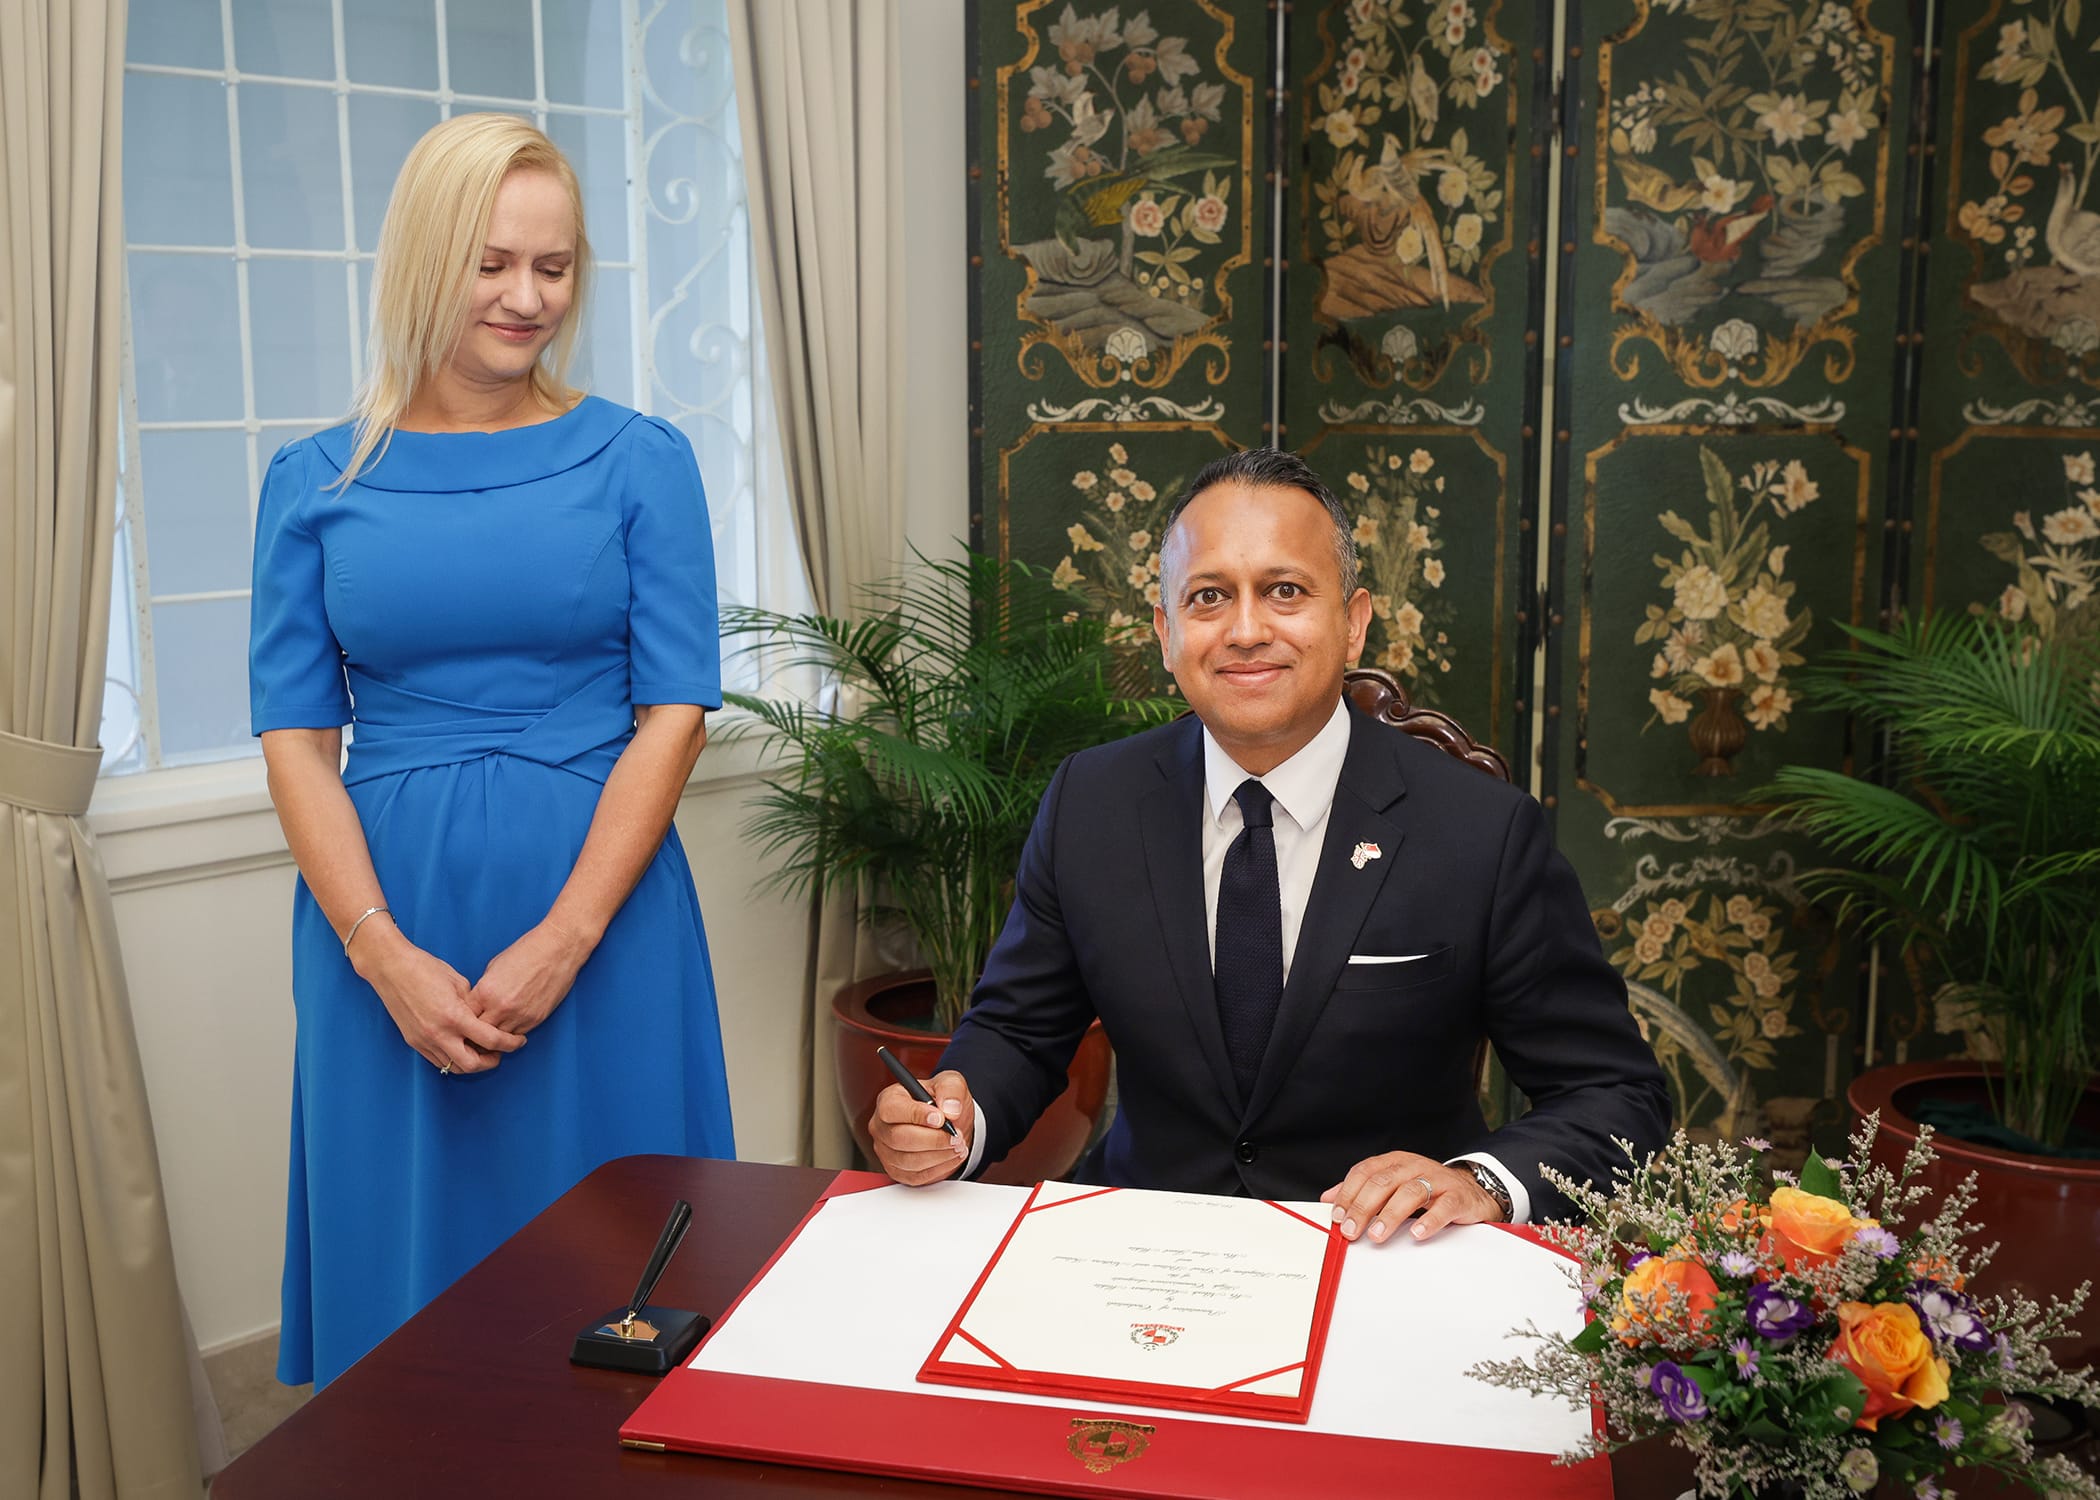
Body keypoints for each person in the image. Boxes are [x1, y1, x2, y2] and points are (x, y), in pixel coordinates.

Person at [870, 447, 1668, 1241]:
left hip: (1381, 1262)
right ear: (1166, 632)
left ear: (1353, 624)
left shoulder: (1482, 832)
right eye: (1210, 596)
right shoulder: (1093, 802)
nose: (1246, 630)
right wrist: (952, 1119)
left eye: (1285, 591)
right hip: (1143, 1251)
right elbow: (1016, 1031)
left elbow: (1613, 1093)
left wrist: (1478, 1181)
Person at [249, 114, 734, 1389]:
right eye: (492, 263)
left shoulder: (641, 460)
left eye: (556, 267)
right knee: (411, 1293)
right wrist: (378, 949)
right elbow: (295, 740)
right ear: (423, 259)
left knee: (622, 1283)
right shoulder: (311, 481)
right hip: (387, 935)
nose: (528, 299)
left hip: (604, 918)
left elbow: (672, 714)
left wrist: (566, 935)